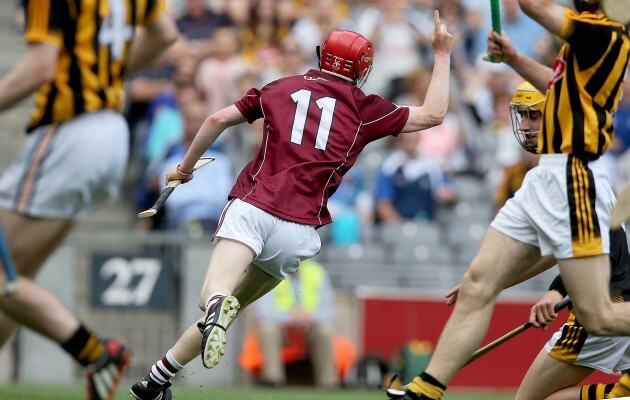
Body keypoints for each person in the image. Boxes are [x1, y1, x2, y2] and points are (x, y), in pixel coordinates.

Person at [129, 12, 454, 400]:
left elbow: (216, 118)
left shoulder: (281, 86)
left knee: (214, 296)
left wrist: (184, 169)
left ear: (322, 57)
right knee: (229, 309)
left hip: (253, 206)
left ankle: (214, 306)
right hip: (298, 232)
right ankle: (155, 380)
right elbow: (434, 114)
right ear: (361, 69)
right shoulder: (366, 108)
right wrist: (442, 53)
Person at [389, 1, 630, 398]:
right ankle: (427, 389)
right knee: (479, 282)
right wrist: (515, 58)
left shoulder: (605, 33)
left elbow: (531, 6)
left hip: (572, 175)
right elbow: (556, 89)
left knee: (597, 317)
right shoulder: (587, 42)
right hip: (548, 176)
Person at [0, 1, 178, 399]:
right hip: (111, 132)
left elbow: (40, 68)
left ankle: (96, 353)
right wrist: (108, 76)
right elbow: (165, 32)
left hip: (68, 132)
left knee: (5, 275)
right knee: (14, 281)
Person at [447, 83, 630, 400]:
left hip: (606, 302)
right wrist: (489, 282)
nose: (526, 126)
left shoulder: (575, 172)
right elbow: (562, 247)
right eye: (523, 116)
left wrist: (555, 290)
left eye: (535, 116)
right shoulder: (554, 169)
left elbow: (593, 248)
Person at [251, 258, 338, 388]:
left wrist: (308, 317)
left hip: (310, 328)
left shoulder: (317, 272)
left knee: (325, 332)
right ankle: (272, 380)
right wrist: (290, 317)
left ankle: (328, 384)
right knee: (267, 330)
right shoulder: (270, 270)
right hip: (282, 328)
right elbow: (262, 311)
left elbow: (328, 311)